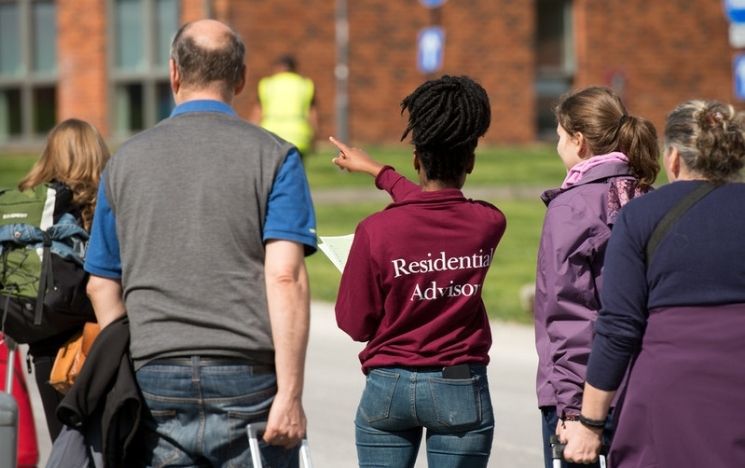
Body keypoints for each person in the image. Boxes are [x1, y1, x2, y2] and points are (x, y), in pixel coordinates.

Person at [83, 19, 316, 467]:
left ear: (173, 73)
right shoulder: (277, 157)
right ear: (242, 78)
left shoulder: (124, 163)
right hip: (247, 375)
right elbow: (284, 275)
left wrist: (132, 362)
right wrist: (290, 394)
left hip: (155, 373)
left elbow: (100, 284)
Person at [331, 75, 506, 467]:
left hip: (388, 385)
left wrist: (383, 173)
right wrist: (379, 172)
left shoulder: (375, 231)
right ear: (471, 162)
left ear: (416, 159)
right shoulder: (489, 222)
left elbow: (354, 323)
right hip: (460, 383)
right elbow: (439, 205)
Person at [563, 100, 745, 467]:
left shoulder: (640, 216)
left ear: (674, 157)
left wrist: (590, 424)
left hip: (669, 394)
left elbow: (618, 327)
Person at [532, 86, 659, 468]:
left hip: (584, 400)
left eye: (558, 137)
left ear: (579, 141)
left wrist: (573, 409)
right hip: (642, 386)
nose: (557, 147)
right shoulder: (647, 196)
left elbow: (569, 313)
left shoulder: (570, 207)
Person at [17, 118, 110, 441]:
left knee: (64, 448)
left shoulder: (32, 207)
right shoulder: (106, 204)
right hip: (96, 344)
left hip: (44, 345)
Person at [251, 54, 318, 159]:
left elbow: (258, 112)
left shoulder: (267, 84)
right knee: (295, 172)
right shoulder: (305, 84)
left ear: (277, 67)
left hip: (271, 136)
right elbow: (312, 114)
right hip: (298, 137)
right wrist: (314, 136)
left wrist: (253, 135)